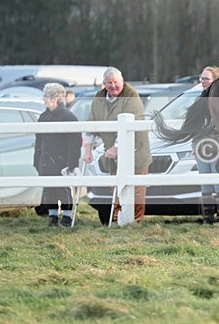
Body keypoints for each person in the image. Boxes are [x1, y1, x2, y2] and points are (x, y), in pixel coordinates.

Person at [82, 67, 152, 224]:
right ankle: (116, 221)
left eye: (116, 82)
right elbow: (91, 124)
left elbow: (131, 124)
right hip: (113, 157)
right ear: (104, 84)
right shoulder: (99, 98)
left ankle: (133, 223)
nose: (113, 86)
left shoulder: (131, 96)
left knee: (136, 191)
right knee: (118, 189)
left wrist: (116, 147)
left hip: (136, 152)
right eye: (109, 83)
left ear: (122, 81)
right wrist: (88, 149)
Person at [34, 83, 81, 227]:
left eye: (46, 96)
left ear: (55, 98)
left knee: (63, 189)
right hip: (45, 160)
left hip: (61, 161)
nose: (43, 99)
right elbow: (39, 140)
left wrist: (71, 162)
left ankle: (67, 216)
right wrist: (37, 159)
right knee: (48, 189)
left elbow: (75, 142)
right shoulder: (43, 117)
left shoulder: (68, 116)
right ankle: (52, 215)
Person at [193, 65, 219, 224]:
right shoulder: (199, 99)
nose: (203, 81)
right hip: (201, 144)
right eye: (201, 78)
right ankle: (207, 218)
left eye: (206, 78)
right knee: (205, 182)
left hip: (217, 143)